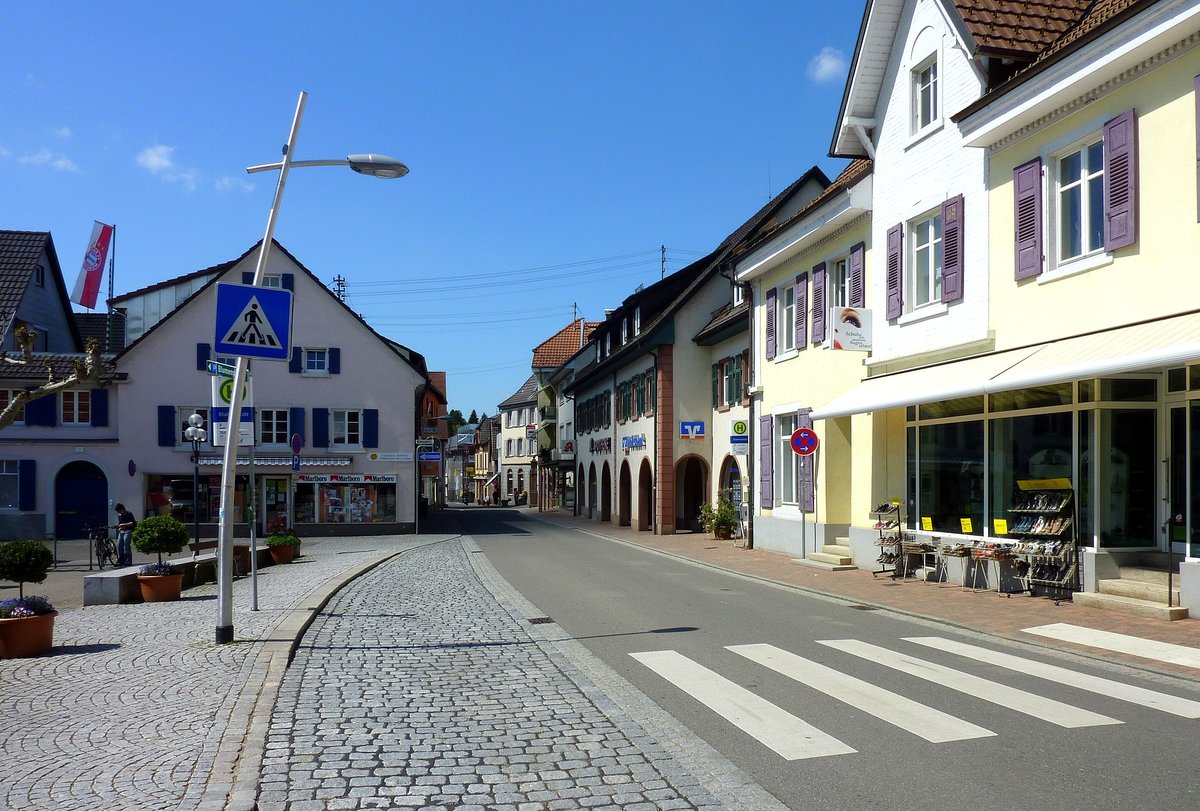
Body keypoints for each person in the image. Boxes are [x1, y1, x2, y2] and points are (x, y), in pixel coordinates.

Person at [114, 503, 136, 567]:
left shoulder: (129, 514)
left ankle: (128, 561)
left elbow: (132, 523)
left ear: (123, 509)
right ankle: (121, 560)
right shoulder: (119, 515)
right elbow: (120, 523)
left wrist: (123, 525)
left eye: (119, 511)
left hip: (128, 531)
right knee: (119, 545)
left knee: (126, 545)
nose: (119, 512)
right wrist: (119, 527)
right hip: (121, 531)